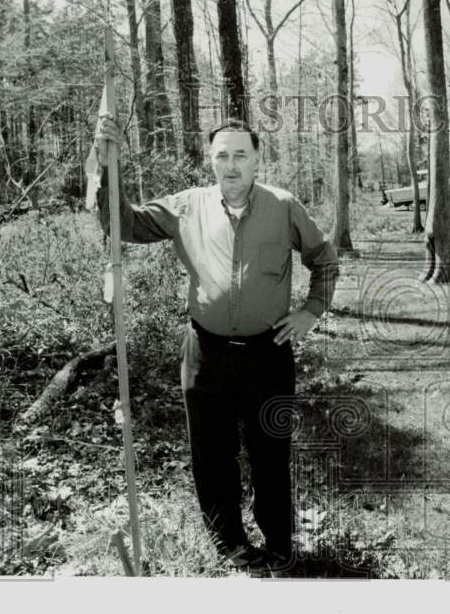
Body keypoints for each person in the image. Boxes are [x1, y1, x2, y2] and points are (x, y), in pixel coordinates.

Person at [93, 116, 339, 574]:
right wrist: (112, 163)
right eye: (222, 155)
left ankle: (280, 546)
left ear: (257, 159)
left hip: (268, 355)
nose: (231, 165)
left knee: (270, 454)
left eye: (241, 154)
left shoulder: (284, 207)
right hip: (205, 356)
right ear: (210, 161)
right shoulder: (186, 206)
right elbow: (122, 223)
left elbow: (323, 259)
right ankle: (229, 543)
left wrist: (311, 311)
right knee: (211, 456)